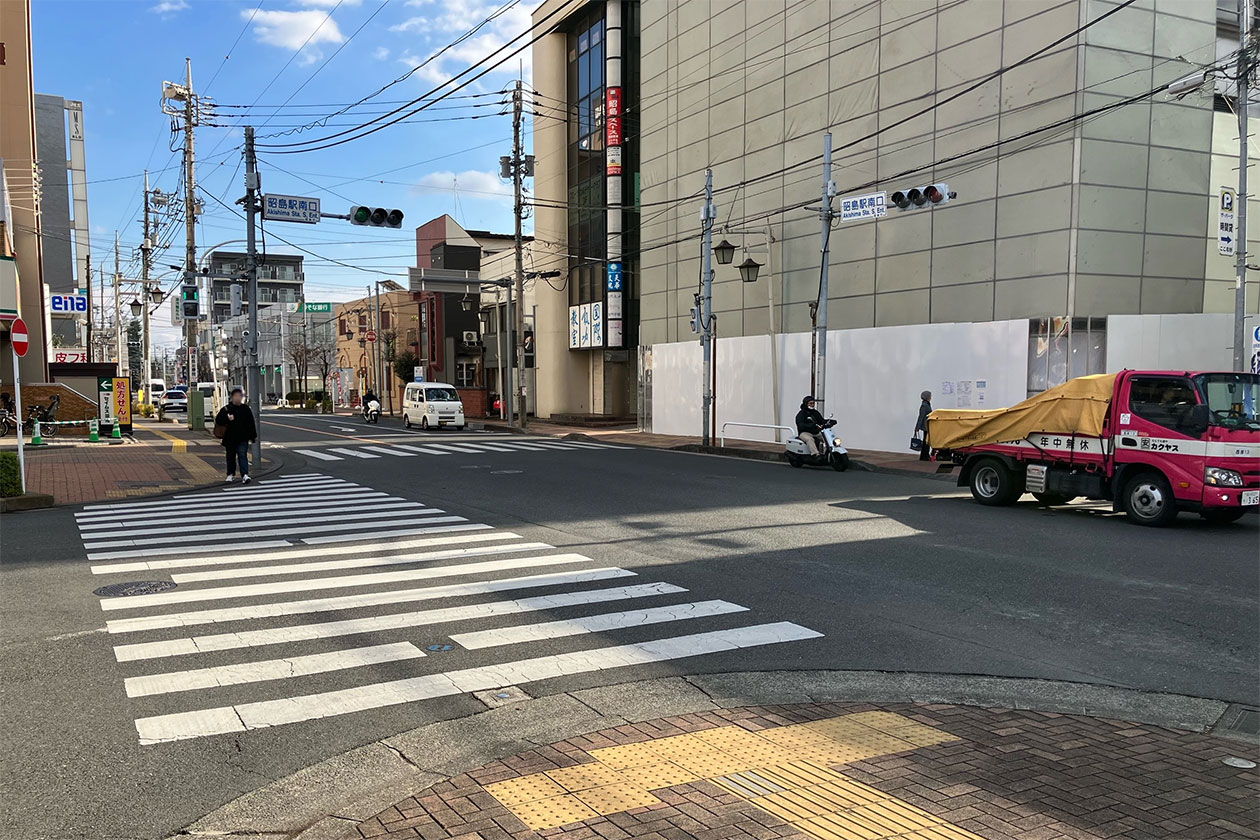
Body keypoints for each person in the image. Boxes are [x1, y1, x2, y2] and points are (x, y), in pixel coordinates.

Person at [216, 388, 257, 483]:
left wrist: (253, 436)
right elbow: (218, 421)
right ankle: (230, 474)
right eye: (236, 396)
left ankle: (245, 475)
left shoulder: (245, 409)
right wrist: (227, 419)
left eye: (240, 396)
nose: (238, 398)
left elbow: (250, 423)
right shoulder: (226, 409)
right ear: (232, 397)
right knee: (230, 457)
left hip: (243, 438)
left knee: (242, 455)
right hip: (229, 438)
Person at [915, 390, 933, 461]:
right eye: (930, 396)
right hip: (925, 426)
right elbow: (921, 417)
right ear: (927, 397)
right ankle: (924, 456)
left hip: (927, 426)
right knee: (926, 441)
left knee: (926, 441)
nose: (931, 397)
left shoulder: (927, 404)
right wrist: (917, 427)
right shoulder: (924, 406)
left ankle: (925, 455)